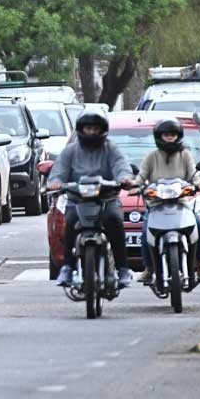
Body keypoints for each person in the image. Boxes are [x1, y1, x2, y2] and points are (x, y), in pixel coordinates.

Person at [47, 111, 136, 288]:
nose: (92, 133)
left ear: (103, 130)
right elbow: (58, 173)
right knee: (70, 222)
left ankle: (122, 268)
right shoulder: (70, 151)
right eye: (88, 128)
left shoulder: (111, 148)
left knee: (115, 220)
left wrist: (125, 179)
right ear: (81, 129)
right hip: (77, 200)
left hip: (106, 199)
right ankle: (67, 267)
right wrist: (56, 183)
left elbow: (121, 166)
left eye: (96, 129)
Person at [136, 118, 200, 285]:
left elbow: (193, 175)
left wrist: (199, 184)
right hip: (156, 205)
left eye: (173, 134)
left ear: (179, 136)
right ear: (159, 137)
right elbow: (141, 177)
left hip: (181, 203)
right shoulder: (151, 157)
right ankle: (149, 268)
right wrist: (136, 186)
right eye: (166, 135)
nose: (169, 138)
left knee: (198, 225)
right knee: (145, 230)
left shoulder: (185, 155)